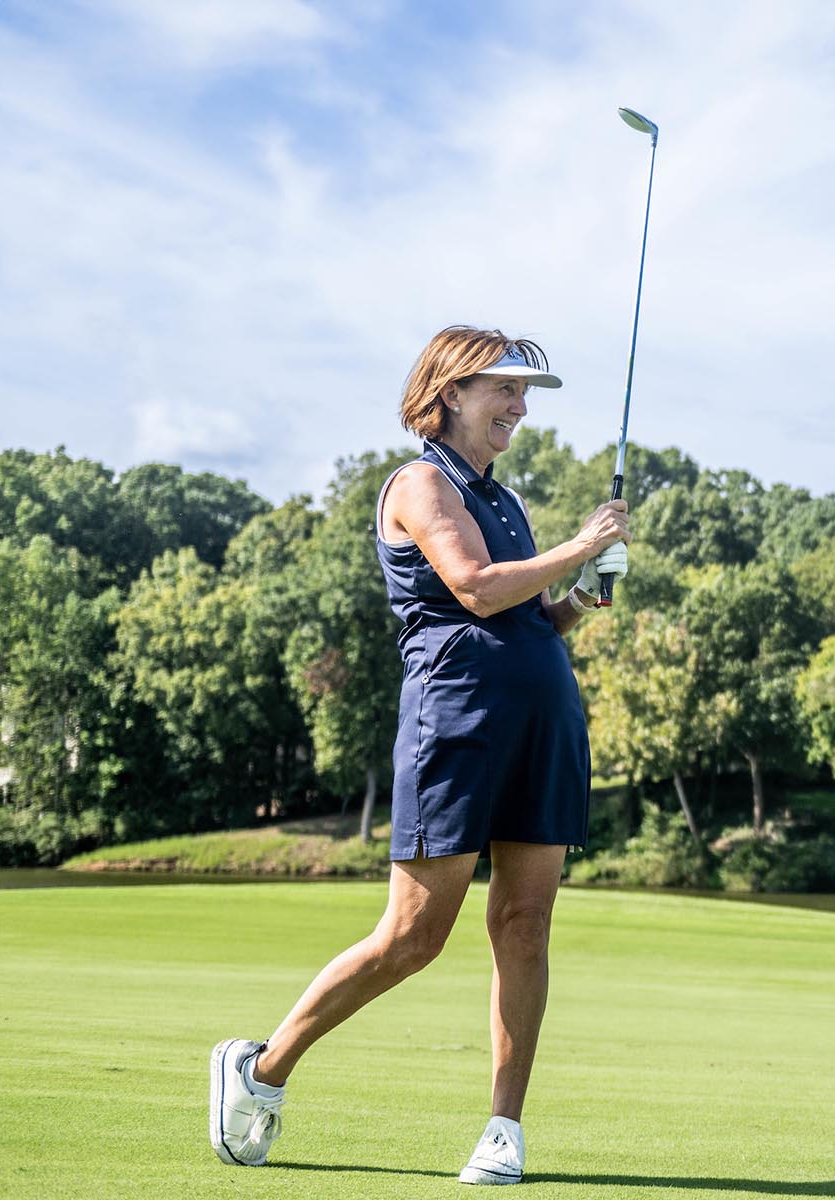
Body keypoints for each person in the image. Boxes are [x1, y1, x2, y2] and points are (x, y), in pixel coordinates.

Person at [209, 326, 630, 1185]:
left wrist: (582, 595)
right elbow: (473, 588)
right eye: (503, 389)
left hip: (543, 720)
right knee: (413, 935)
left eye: (524, 393)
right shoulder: (419, 483)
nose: (519, 408)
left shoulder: (507, 502)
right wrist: (581, 546)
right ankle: (262, 1069)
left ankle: (503, 1129)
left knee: (526, 923)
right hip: (456, 722)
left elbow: (531, 617)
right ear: (450, 392)